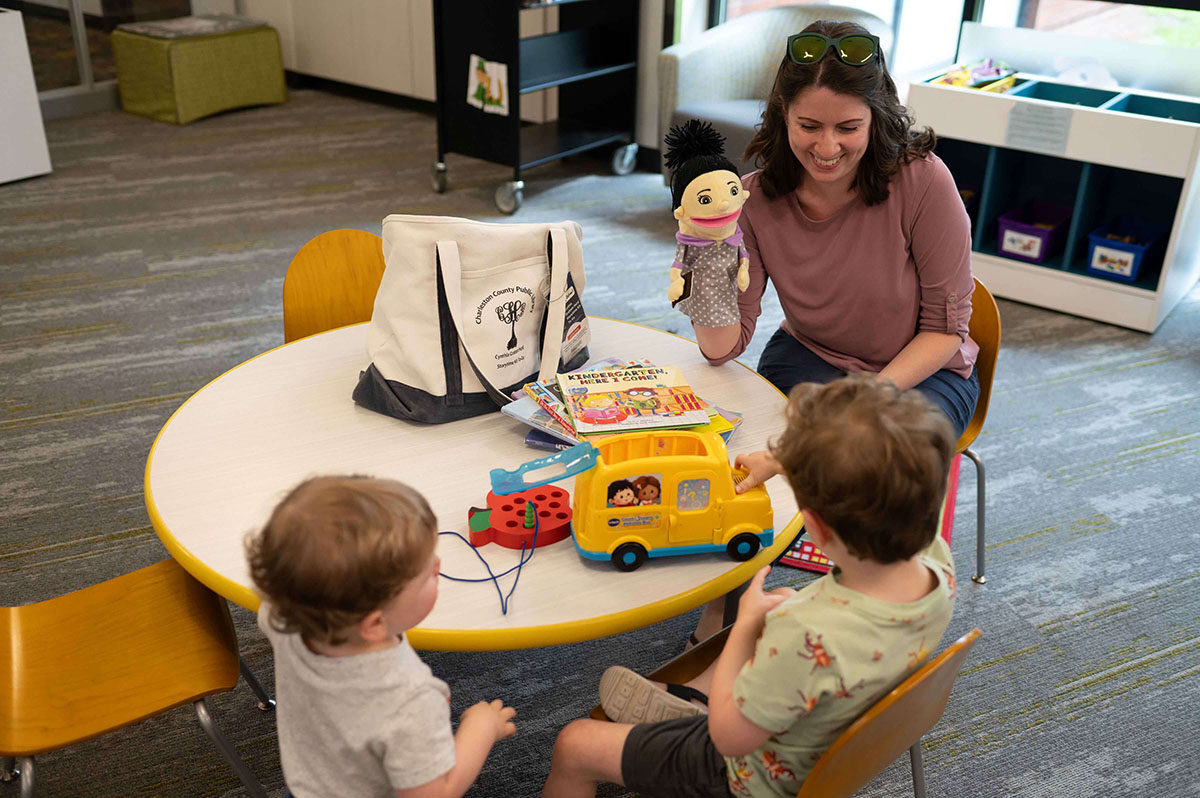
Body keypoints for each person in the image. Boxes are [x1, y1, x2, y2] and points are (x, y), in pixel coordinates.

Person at [688, 18, 979, 644]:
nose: (827, 147)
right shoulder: (755, 198)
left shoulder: (923, 181)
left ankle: (850, 629)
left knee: (858, 469)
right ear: (782, 117)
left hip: (922, 372)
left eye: (847, 127)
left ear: (877, 120)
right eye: (808, 126)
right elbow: (720, 347)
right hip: (810, 355)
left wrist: (850, 408)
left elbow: (946, 332)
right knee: (736, 455)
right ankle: (729, 613)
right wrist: (707, 253)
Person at [540, 375, 958, 798]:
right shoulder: (937, 559)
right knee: (783, 602)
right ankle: (696, 699)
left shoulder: (804, 633)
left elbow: (728, 740)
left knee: (573, 744)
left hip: (748, 773)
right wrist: (782, 462)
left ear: (812, 526)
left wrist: (744, 628)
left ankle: (703, 710)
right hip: (835, 719)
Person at [245, 475, 516, 798]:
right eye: (428, 573)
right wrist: (481, 729)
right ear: (373, 625)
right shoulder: (409, 700)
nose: (438, 565)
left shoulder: (285, 618)